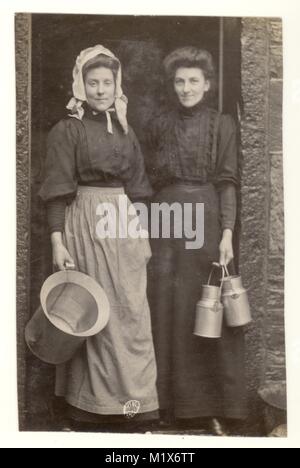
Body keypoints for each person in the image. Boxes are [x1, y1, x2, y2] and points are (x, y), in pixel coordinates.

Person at [39, 45, 159, 431]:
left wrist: (141, 234)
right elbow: (58, 190)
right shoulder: (68, 130)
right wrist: (58, 242)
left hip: (123, 224)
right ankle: (89, 409)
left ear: (116, 85)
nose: (101, 89)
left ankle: (133, 406)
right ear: (81, 84)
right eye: (93, 82)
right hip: (85, 225)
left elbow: (139, 187)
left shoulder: (126, 129)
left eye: (107, 82)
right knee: (94, 313)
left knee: (130, 312)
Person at [146, 47, 247, 435]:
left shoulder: (222, 125)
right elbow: (146, 179)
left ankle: (213, 409)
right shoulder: (157, 125)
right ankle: (165, 406)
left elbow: (227, 182)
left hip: (205, 223)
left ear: (206, 85)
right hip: (165, 225)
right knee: (166, 309)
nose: (185, 88)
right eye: (179, 81)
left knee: (207, 311)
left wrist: (226, 233)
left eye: (193, 81)